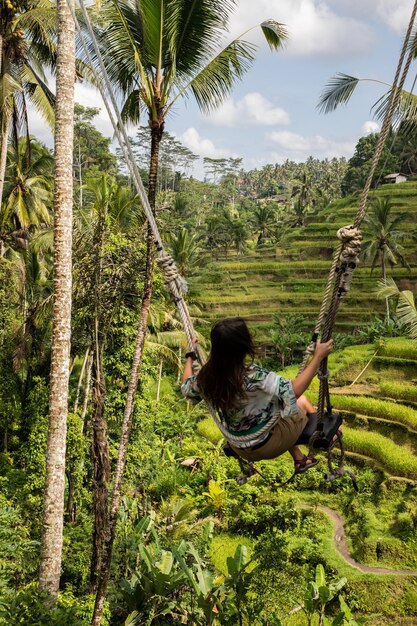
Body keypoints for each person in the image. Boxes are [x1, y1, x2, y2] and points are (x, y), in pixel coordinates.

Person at [181, 317, 334, 473]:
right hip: (267, 446)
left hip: (238, 446)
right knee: (301, 401)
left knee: (276, 406)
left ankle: (299, 459)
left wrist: (189, 355)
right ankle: (323, 434)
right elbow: (294, 391)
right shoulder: (255, 376)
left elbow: (186, 387)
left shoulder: (207, 377)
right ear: (244, 346)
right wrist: (317, 357)